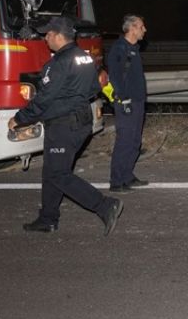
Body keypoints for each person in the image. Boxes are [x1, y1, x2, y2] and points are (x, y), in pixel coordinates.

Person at [11, 16, 123, 234]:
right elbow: (93, 88)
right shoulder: (85, 58)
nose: (46, 39)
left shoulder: (58, 63)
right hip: (81, 120)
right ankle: (48, 218)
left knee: (58, 174)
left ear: (59, 36)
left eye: (49, 35)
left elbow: (44, 98)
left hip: (64, 124)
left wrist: (21, 118)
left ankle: (104, 205)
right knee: (51, 171)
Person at [107, 14, 149, 192]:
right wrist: (123, 98)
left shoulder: (133, 48)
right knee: (125, 141)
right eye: (141, 26)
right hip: (126, 101)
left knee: (134, 141)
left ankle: (127, 176)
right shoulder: (119, 49)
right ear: (132, 28)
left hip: (138, 101)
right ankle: (116, 181)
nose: (144, 30)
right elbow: (114, 76)